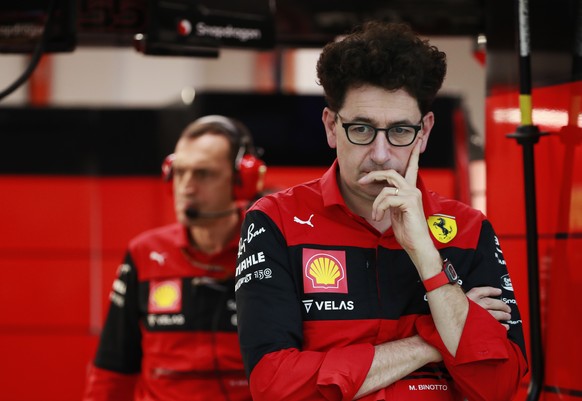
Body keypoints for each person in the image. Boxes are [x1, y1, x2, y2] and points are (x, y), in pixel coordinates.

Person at [234, 21, 528, 401]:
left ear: (423, 133)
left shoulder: (470, 229)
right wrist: (436, 337)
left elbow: (500, 389)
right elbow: (274, 386)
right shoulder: (275, 220)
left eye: (400, 132)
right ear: (330, 126)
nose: (381, 153)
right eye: (361, 129)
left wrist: (428, 261)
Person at [83, 115, 265, 401]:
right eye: (179, 173)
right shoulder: (145, 253)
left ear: (243, 180)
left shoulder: (270, 250)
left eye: (203, 174)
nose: (186, 187)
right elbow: (113, 369)